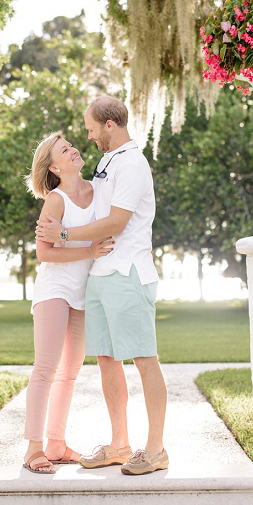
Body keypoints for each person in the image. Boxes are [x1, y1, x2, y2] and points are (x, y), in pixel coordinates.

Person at [35, 95, 168, 475]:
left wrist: (63, 233)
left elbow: (116, 223)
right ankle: (119, 445)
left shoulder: (134, 165)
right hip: (99, 275)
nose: (88, 135)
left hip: (128, 273)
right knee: (107, 361)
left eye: (92, 127)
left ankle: (156, 450)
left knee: (144, 359)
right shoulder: (107, 163)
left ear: (110, 125)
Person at [22, 131, 113, 474]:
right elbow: (44, 252)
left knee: (70, 373)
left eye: (71, 145)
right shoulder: (57, 200)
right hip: (54, 291)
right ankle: (34, 448)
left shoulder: (97, 191)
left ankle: (56, 443)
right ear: (55, 167)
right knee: (46, 368)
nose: (74, 149)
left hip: (83, 293)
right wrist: (88, 250)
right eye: (64, 150)